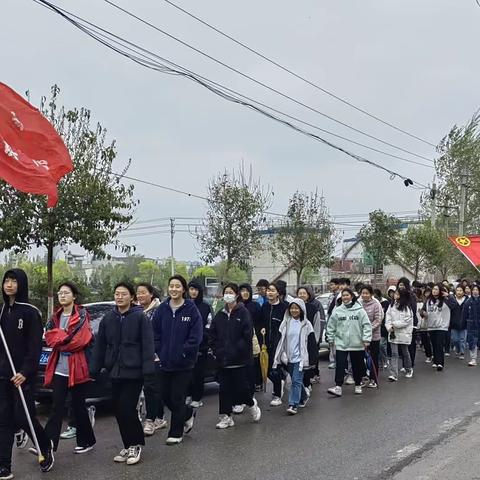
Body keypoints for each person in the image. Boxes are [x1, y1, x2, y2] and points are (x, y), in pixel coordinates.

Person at [90, 282, 154, 465]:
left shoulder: (140, 317)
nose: (119, 297)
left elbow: (148, 345)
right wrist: (94, 369)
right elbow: (100, 345)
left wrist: (148, 370)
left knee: (127, 408)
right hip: (114, 371)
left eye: (123, 294)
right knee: (118, 410)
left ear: (131, 297)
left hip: (134, 372)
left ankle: (135, 445)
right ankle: (127, 445)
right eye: (117, 294)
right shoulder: (108, 318)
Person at [0, 269, 54, 479]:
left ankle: (44, 445)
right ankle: (4, 465)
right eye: (6, 280)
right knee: (3, 419)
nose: (9, 284)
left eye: (14, 281)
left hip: (23, 376)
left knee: (23, 417)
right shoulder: (2, 311)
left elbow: (34, 347)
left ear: (21, 284)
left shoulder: (31, 312)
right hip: (4, 374)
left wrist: (24, 372)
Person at [43, 282, 96, 455]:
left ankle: (87, 440)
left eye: (66, 292)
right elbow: (50, 338)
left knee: (78, 406)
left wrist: (61, 340)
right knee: (56, 405)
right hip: (59, 367)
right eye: (60, 293)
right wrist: (62, 339)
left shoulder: (81, 315)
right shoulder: (55, 317)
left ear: (74, 296)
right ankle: (48, 445)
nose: (62, 295)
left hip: (77, 367)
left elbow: (81, 340)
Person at [152, 275, 203, 445]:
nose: (174, 289)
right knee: (165, 396)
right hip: (164, 362)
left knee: (177, 397)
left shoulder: (191, 309)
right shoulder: (162, 309)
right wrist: (158, 350)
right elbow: (155, 333)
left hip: (184, 364)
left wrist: (184, 352)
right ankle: (187, 414)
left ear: (184, 289)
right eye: (171, 286)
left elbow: (196, 336)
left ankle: (176, 432)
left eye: (178, 286)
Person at [209, 284, 261, 429]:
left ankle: (251, 404)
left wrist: (237, 350)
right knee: (224, 389)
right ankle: (226, 417)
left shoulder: (243, 313)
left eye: (230, 292)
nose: (228, 295)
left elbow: (247, 336)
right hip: (223, 361)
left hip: (240, 360)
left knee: (241, 388)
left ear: (237, 295)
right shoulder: (220, 314)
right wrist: (217, 350)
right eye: (226, 292)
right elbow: (212, 335)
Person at [273, 298, 317, 414]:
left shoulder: (307, 325)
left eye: (296, 308)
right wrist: (279, 355)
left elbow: (312, 343)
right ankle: (303, 395)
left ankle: (293, 404)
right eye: (292, 308)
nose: (294, 310)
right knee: (295, 379)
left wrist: (312, 360)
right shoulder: (285, 323)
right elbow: (280, 340)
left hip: (300, 358)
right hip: (288, 357)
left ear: (301, 310)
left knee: (295, 381)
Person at [326, 288, 372, 397]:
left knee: (357, 366)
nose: (345, 297)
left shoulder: (360, 310)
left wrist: (366, 339)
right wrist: (330, 338)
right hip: (341, 343)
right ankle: (338, 387)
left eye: (347, 295)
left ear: (351, 296)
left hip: (357, 343)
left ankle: (358, 385)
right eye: (343, 295)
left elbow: (366, 325)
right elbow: (331, 326)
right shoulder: (337, 311)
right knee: (340, 365)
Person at [136, 283, 166, 437]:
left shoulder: (159, 311)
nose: (140, 296)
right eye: (138, 293)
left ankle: (151, 419)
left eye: (143, 292)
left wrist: (156, 350)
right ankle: (159, 417)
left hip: (154, 356)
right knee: (152, 390)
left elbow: (163, 333)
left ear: (151, 294)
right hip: (137, 356)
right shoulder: (135, 311)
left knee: (150, 388)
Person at [260, 282, 288, 406]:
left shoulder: (284, 308)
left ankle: (277, 395)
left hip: (279, 343)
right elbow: (260, 323)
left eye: (272, 290)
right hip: (266, 343)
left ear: (278, 293)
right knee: (265, 370)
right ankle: (280, 382)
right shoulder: (264, 307)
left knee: (273, 369)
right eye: (268, 290)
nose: (269, 293)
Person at [187, 280, 213, 409]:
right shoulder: (183, 305)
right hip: (185, 346)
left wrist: (203, 338)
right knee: (186, 372)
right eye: (191, 289)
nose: (193, 292)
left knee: (198, 373)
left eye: (196, 289)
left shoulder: (205, 306)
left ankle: (197, 397)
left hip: (201, 345)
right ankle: (187, 394)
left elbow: (209, 325)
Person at [297, 286, 325, 385]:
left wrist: (316, 338)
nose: (302, 295)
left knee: (311, 359)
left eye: (304, 293)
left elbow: (317, 324)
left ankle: (311, 377)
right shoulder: (294, 308)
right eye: (300, 293)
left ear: (308, 295)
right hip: (298, 339)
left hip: (310, 338)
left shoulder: (313, 307)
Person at [420, 283, 451, 371]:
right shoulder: (428, 300)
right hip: (431, 326)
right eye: (433, 289)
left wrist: (448, 296)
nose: (434, 291)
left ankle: (440, 363)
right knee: (434, 344)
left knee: (439, 344)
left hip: (442, 326)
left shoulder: (446, 300)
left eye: (436, 289)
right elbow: (422, 310)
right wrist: (423, 313)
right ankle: (435, 361)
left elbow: (454, 305)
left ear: (440, 290)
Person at [385, 289, 414, 381]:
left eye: (397, 294)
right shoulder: (391, 305)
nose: (395, 295)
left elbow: (406, 321)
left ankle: (408, 369)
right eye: (395, 294)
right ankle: (394, 374)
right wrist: (389, 326)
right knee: (394, 353)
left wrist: (394, 324)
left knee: (405, 352)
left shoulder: (407, 308)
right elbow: (387, 317)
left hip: (404, 333)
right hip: (393, 332)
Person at [239, 283, 263, 394]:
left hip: (255, 337)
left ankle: (258, 382)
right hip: (240, 338)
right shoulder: (237, 306)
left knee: (255, 361)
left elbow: (260, 322)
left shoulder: (255, 306)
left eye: (246, 291)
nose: (244, 293)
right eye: (242, 291)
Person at [359, 285, 383, 388]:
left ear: (371, 294)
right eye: (363, 293)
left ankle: (373, 379)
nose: (364, 295)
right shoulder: (358, 304)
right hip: (361, 336)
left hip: (374, 336)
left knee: (373, 358)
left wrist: (368, 330)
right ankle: (363, 377)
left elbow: (378, 320)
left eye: (366, 293)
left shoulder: (376, 304)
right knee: (360, 358)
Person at [396, 278, 418, 368]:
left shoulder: (411, 296)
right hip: (400, 324)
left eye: (403, 285)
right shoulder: (397, 297)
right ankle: (405, 364)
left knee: (410, 345)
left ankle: (410, 364)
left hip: (411, 324)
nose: (401, 287)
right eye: (400, 285)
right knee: (402, 345)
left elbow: (412, 310)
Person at [326, 278, 341, 369]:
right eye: (330, 285)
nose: (331, 286)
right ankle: (334, 361)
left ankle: (337, 362)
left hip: (338, 322)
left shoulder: (340, 296)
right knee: (331, 343)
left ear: (337, 285)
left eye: (332, 284)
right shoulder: (331, 296)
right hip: (331, 319)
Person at [449, 286, 467, 360]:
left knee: (462, 339)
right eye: (457, 290)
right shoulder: (452, 300)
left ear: (463, 292)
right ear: (455, 291)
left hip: (464, 323)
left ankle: (462, 352)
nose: (459, 292)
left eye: (460, 290)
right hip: (454, 323)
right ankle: (458, 348)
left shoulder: (466, 300)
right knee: (454, 339)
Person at [464, 285, 480, 366]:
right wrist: (463, 323)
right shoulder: (468, 302)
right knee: (472, 342)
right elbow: (464, 314)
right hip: (471, 325)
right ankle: (473, 359)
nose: (475, 291)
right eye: (473, 289)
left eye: (477, 289)